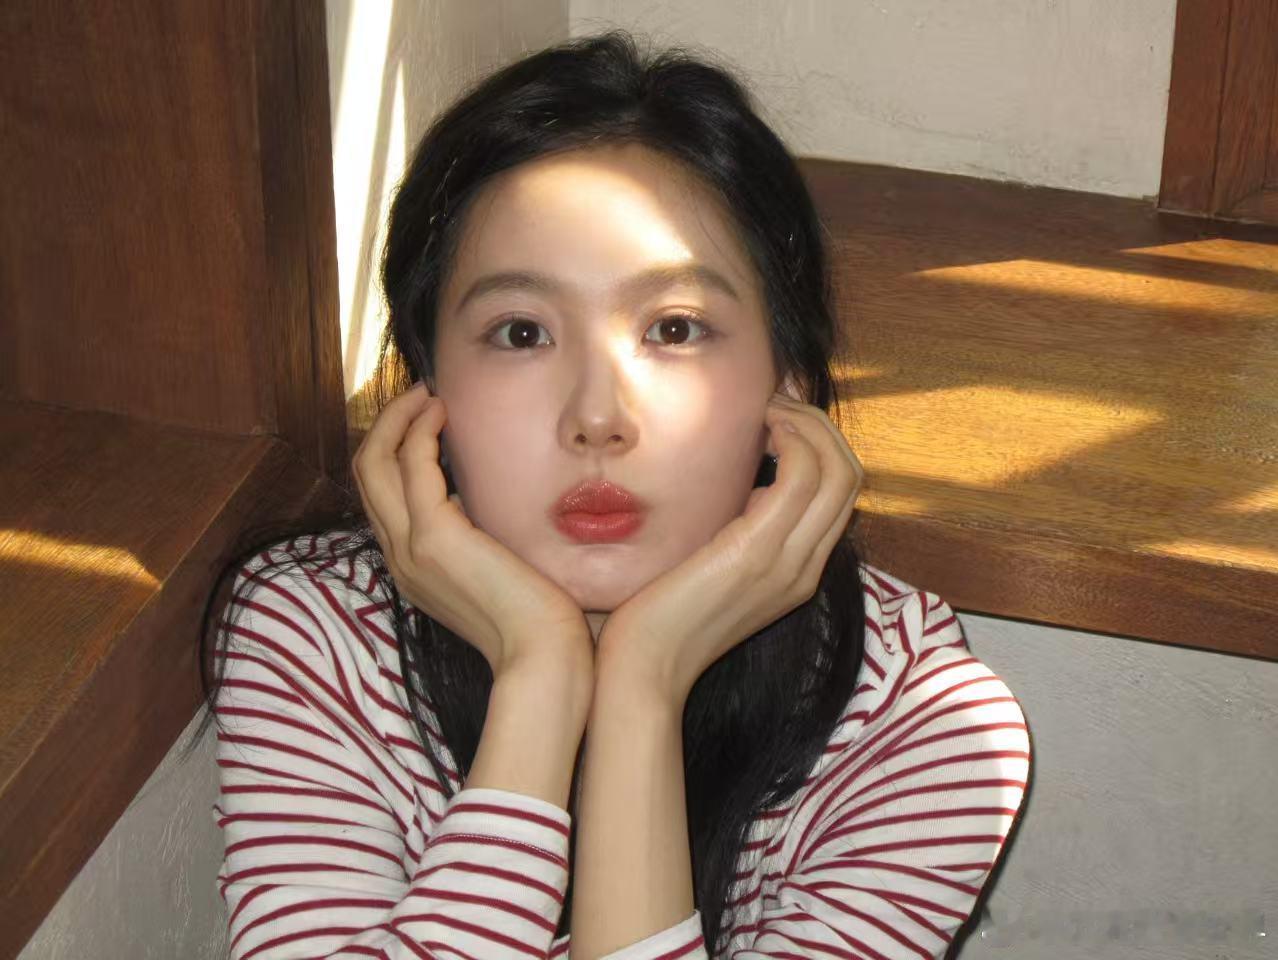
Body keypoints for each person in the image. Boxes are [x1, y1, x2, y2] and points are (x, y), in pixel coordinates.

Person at [196, 28, 1031, 960]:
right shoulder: (318, 635)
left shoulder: (920, 724)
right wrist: (539, 675)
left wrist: (643, 685)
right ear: (427, 388)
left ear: (788, 383)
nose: (597, 418)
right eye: (521, 333)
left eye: (674, 328)